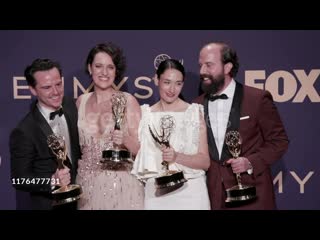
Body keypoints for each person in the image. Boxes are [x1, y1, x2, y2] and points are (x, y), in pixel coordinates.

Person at [193, 42, 289, 210]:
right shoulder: (196, 105)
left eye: (209, 65)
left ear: (227, 67)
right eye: (200, 66)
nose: (202, 72)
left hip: (252, 194)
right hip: (212, 197)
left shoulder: (257, 99)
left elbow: (279, 141)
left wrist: (250, 162)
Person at [132, 59, 211, 210]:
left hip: (191, 193)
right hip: (156, 193)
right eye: (167, 82)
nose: (172, 89)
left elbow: (204, 162)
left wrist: (176, 157)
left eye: (178, 83)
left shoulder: (194, 112)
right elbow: (139, 155)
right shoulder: (144, 114)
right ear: (156, 80)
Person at [76, 42, 144, 210]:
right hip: (87, 190)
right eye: (98, 66)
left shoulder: (128, 101)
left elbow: (142, 150)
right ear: (90, 68)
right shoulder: (80, 103)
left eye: (110, 67)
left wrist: (125, 139)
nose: (104, 73)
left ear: (116, 71)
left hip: (123, 187)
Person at [10, 58, 81, 210]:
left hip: (81, 201)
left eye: (58, 84)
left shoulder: (71, 106)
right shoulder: (24, 131)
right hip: (50, 205)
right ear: (33, 90)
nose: (56, 92)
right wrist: (51, 181)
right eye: (47, 87)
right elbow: (18, 180)